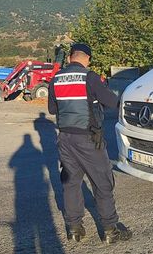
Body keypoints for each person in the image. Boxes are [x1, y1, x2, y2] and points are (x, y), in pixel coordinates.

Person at [47, 43, 131, 244]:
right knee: (102, 183)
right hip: (89, 139)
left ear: (70, 58)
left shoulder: (55, 80)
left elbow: (52, 110)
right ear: (88, 59)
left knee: (71, 183)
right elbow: (112, 102)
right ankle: (111, 229)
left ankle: (74, 229)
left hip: (65, 139)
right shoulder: (90, 77)